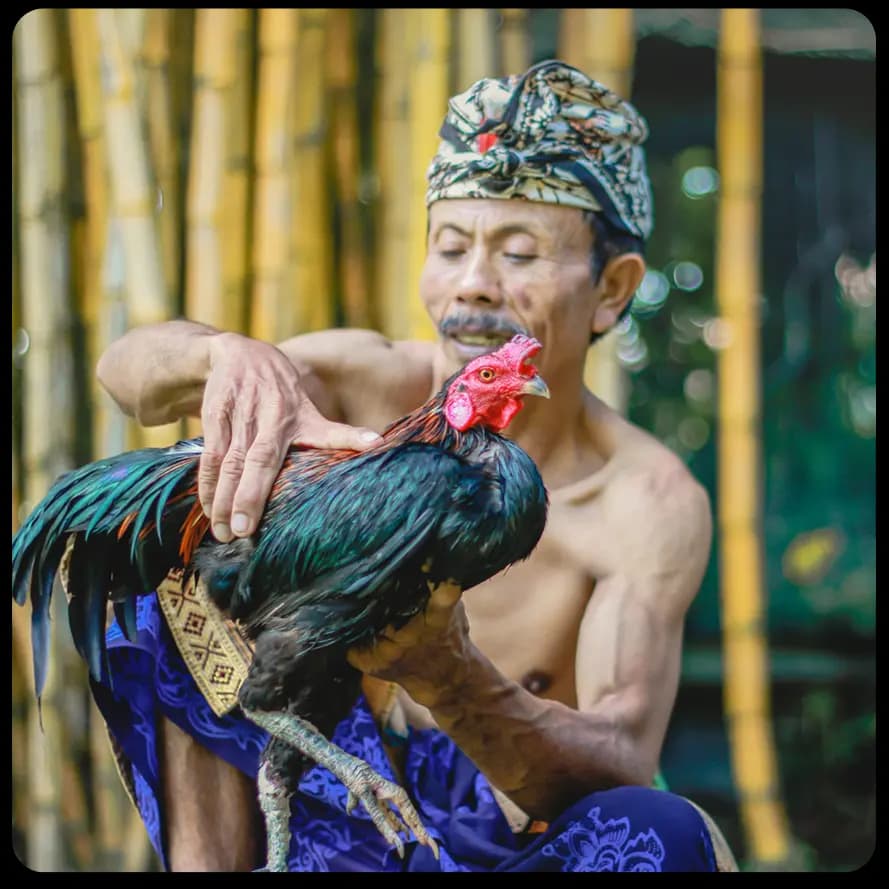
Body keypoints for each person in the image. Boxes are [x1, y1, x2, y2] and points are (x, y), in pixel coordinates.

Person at [89, 60, 736, 872]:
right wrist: (224, 355)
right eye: (452, 245)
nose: (472, 285)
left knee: (663, 834)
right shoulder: (358, 387)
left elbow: (624, 755)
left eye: (518, 252)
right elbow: (126, 371)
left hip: (509, 830)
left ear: (611, 288)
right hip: (327, 797)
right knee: (180, 562)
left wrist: (453, 678)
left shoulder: (642, 499)